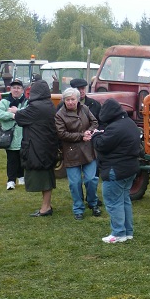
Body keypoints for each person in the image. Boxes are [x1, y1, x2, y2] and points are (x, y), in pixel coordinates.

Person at [93, 99, 142, 243]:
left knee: (113, 202)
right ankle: (127, 232)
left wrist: (96, 135)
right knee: (124, 200)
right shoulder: (129, 124)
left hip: (116, 170)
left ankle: (118, 233)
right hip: (129, 169)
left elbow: (101, 145)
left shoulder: (116, 128)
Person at [13, 79, 58, 216]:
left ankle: (45, 208)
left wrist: (16, 111)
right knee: (47, 175)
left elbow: (20, 118)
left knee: (43, 177)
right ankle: (47, 206)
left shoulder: (36, 107)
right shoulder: (49, 104)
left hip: (37, 148)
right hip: (47, 146)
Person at [55, 87, 101, 220]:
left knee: (91, 180)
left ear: (77, 99)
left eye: (72, 99)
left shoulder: (85, 109)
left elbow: (95, 122)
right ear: (64, 101)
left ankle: (93, 203)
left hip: (88, 150)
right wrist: (81, 136)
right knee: (74, 183)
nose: (70, 102)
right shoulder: (60, 115)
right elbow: (62, 133)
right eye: (67, 100)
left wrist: (89, 132)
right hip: (71, 153)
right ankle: (78, 208)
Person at [0, 78, 28, 189]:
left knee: (22, 157)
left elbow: (28, 114)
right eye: (14, 88)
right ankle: (11, 181)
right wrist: (12, 116)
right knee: (12, 159)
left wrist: (16, 112)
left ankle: (21, 177)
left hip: (24, 136)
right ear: (11, 89)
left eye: (18, 88)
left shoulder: (27, 102)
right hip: (10, 136)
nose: (16, 90)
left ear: (22, 90)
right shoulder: (4, 102)